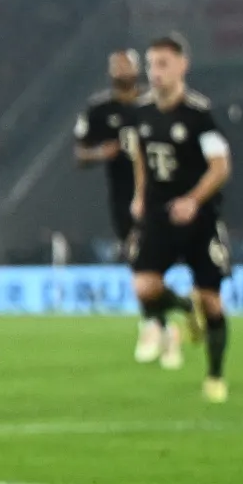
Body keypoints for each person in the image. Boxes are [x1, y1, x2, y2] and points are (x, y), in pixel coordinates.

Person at [125, 35, 234, 402]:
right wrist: (140, 195)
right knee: (144, 287)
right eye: (151, 65)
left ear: (182, 66)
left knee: (213, 301)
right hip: (159, 214)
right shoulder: (141, 114)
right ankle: (183, 308)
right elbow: (140, 156)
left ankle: (215, 376)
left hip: (199, 218)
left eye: (163, 64)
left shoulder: (199, 114)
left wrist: (193, 200)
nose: (155, 73)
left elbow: (220, 168)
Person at [72, 50, 167, 362]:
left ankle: (153, 325)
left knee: (146, 261)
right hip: (121, 197)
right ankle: (168, 319)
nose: (120, 70)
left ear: (137, 69)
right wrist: (101, 153)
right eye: (115, 65)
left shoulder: (155, 104)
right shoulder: (100, 109)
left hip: (158, 194)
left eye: (126, 64)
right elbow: (80, 153)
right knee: (140, 263)